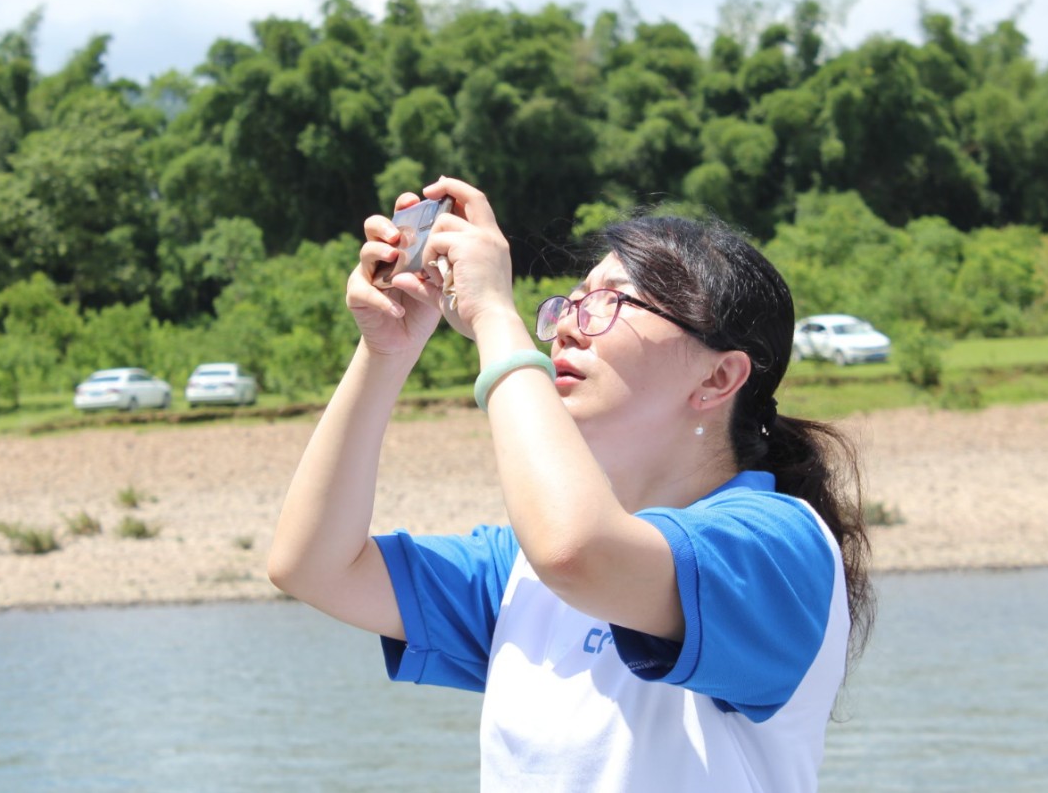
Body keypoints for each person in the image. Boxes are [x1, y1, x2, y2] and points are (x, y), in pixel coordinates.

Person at [268, 177, 874, 792]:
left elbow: (578, 553)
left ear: (719, 378)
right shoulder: (521, 569)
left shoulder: (776, 544)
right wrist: (387, 351)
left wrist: (494, 316)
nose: (565, 326)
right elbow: (314, 566)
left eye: (612, 302)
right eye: (569, 302)